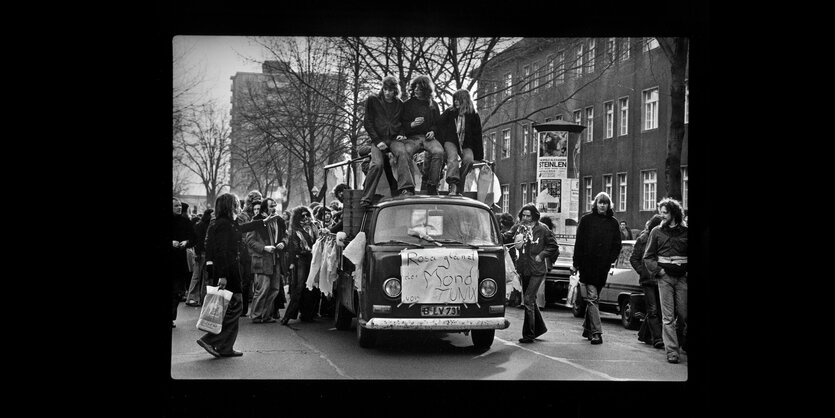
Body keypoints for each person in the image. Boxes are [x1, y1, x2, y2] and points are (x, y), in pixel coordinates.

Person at [196, 193, 282, 358]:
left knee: (233, 308)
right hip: (228, 271)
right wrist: (222, 276)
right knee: (235, 307)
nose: (239, 206)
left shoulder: (228, 223)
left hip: (231, 270)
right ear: (230, 206)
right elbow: (221, 252)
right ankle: (211, 339)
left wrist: (262, 222)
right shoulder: (223, 225)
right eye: (236, 203)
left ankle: (226, 347)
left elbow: (243, 228)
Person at [571, 192, 622, 345]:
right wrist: (575, 263)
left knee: (594, 298)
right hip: (587, 265)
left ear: (608, 205)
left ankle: (587, 328)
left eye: (605, 203)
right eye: (600, 202)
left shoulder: (613, 223)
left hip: (602, 267)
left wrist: (609, 260)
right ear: (595, 204)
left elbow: (617, 245)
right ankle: (596, 333)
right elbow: (579, 243)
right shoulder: (586, 220)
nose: (602, 205)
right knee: (593, 298)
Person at [643, 197, 688, 364]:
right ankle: (672, 352)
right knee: (667, 317)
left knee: (683, 314)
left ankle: (680, 342)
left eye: (665, 212)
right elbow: (648, 257)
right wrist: (659, 271)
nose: (661, 215)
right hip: (665, 279)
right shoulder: (656, 232)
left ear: (674, 213)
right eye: (660, 212)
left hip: (682, 278)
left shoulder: (686, 232)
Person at [361, 76, 410, 206]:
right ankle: (366, 197)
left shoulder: (399, 104)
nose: (387, 93)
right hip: (379, 139)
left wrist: (401, 133)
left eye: (390, 90)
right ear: (382, 89)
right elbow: (368, 122)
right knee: (377, 164)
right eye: (385, 89)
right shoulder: (373, 100)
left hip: (393, 139)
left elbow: (403, 122)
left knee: (402, 153)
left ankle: (406, 189)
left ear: (395, 91)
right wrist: (377, 141)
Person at [513, 204, 559, 343]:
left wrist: (542, 255)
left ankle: (529, 334)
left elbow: (553, 246)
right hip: (524, 268)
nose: (526, 218)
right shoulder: (519, 228)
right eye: (523, 215)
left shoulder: (543, 229)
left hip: (537, 269)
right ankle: (539, 328)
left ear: (534, 215)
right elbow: (509, 236)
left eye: (528, 215)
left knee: (527, 299)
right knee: (530, 300)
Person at [401, 75, 445, 195]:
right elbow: (402, 125)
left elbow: (437, 123)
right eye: (415, 87)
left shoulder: (433, 105)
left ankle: (432, 184)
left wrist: (433, 131)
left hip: (428, 137)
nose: (416, 90)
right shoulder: (407, 105)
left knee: (439, 152)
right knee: (405, 152)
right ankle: (409, 187)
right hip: (412, 137)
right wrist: (412, 124)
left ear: (426, 91)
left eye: (419, 89)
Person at [245, 198, 287, 324]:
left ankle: (266, 315)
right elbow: (249, 241)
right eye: (271, 206)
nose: (274, 208)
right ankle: (256, 315)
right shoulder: (257, 220)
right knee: (263, 289)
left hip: (276, 259)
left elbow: (285, 235)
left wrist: (283, 243)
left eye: (275, 205)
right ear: (264, 208)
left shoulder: (279, 220)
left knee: (274, 288)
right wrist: (264, 248)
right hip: (262, 259)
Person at [438, 89, 483, 196]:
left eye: (458, 100)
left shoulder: (473, 115)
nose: (456, 102)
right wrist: (441, 141)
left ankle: (459, 184)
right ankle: (453, 186)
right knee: (452, 158)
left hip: (466, 144)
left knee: (469, 160)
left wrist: (479, 155)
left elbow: (477, 135)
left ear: (465, 100)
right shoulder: (450, 112)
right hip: (450, 141)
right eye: (455, 100)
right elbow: (439, 124)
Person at [630, 214, 664, 348]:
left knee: (658, 310)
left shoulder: (663, 238)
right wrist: (642, 271)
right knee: (653, 309)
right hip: (648, 280)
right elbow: (634, 258)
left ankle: (643, 334)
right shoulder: (643, 239)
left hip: (660, 278)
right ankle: (657, 338)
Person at [280, 206, 317, 326]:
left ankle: (308, 314)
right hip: (301, 260)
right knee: (299, 287)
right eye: (302, 216)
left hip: (313, 259)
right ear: (297, 218)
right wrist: (291, 263)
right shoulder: (296, 231)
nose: (306, 218)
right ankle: (287, 316)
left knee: (312, 288)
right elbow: (292, 248)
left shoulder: (315, 227)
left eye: (307, 215)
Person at [172, 198, 197, 328]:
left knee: (177, 292)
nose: (179, 208)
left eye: (180, 206)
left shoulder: (185, 221)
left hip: (179, 261)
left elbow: (194, 237)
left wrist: (186, 242)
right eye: (176, 206)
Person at [238, 190, 262, 317]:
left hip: (257, 251)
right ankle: (243, 308)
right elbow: (241, 233)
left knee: (255, 281)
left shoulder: (259, 214)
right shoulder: (243, 216)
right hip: (245, 252)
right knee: (246, 281)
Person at [186, 208, 214, 306]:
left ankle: (194, 298)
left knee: (199, 276)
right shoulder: (204, 226)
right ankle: (198, 298)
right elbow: (198, 241)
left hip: (202, 253)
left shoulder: (201, 225)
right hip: (202, 253)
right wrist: (197, 253)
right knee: (200, 276)